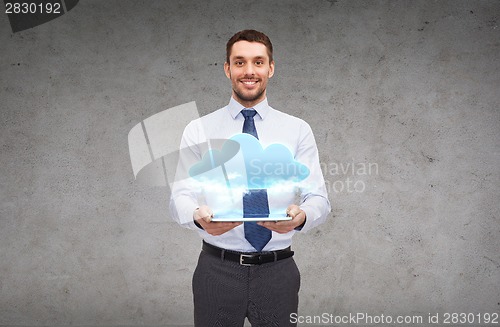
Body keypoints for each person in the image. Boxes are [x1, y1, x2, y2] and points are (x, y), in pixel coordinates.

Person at [170, 29, 330, 326]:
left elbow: (319, 198)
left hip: (277, 272)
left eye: (258, 62)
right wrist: (197, 215)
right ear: (227, 69)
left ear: (270, 68)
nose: (249, 71)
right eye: (240, 62)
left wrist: (301, 216)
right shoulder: (198, 129)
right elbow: (180, 196)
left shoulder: (297, 130)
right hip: (216, 271)